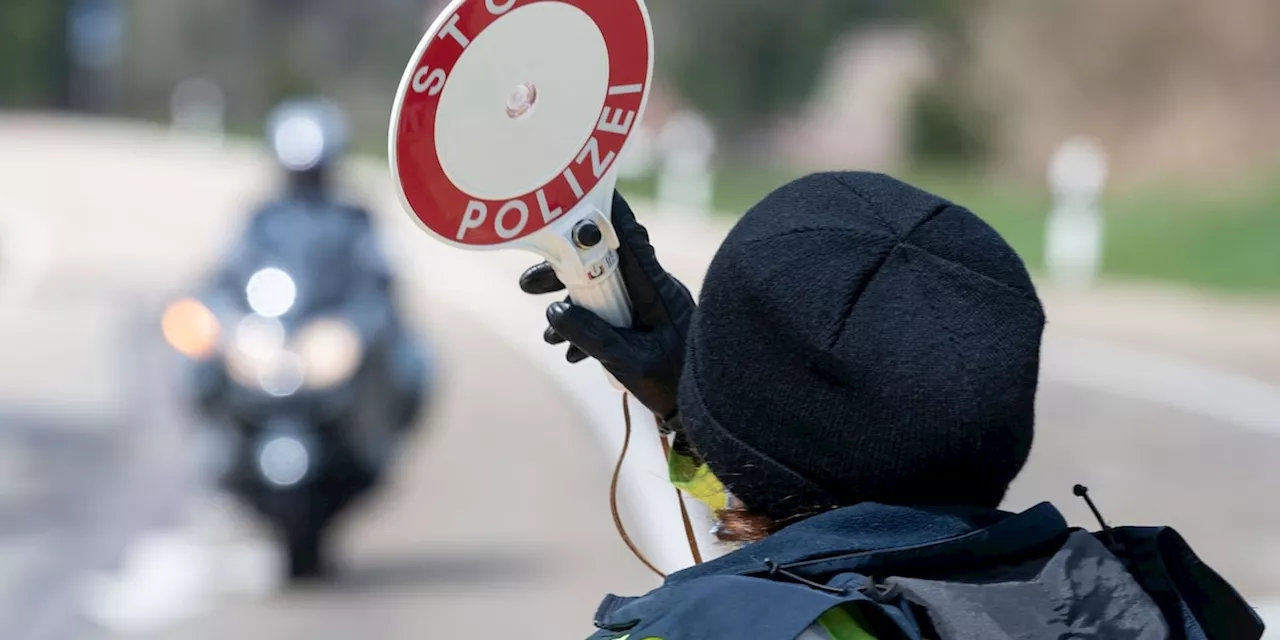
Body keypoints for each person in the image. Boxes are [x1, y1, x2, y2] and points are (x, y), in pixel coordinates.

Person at [520, 172, 1262, 640]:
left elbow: (824, 538)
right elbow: (864, 526)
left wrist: (710, 416)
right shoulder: (1157, 604)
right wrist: (709, 414)